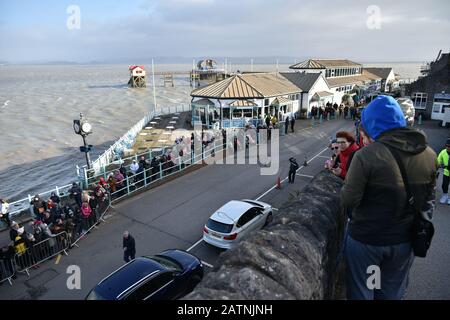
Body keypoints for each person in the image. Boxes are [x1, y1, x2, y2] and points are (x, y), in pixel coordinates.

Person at [340, 95, 436, 300]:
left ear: (373, 123)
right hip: (403, 242)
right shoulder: (429, 154)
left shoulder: (366, 155)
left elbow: (348, 200)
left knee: (364, 291)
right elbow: (429, 201)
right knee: (390, 293)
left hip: (368, 241)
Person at [437, 138, 450, 204]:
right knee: (444, 185)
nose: (448, 147)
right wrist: (440, 165)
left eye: (449, 146)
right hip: (446, 172)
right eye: (447, 146)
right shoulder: (443, 152)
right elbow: (438, 161)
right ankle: (445, 195)